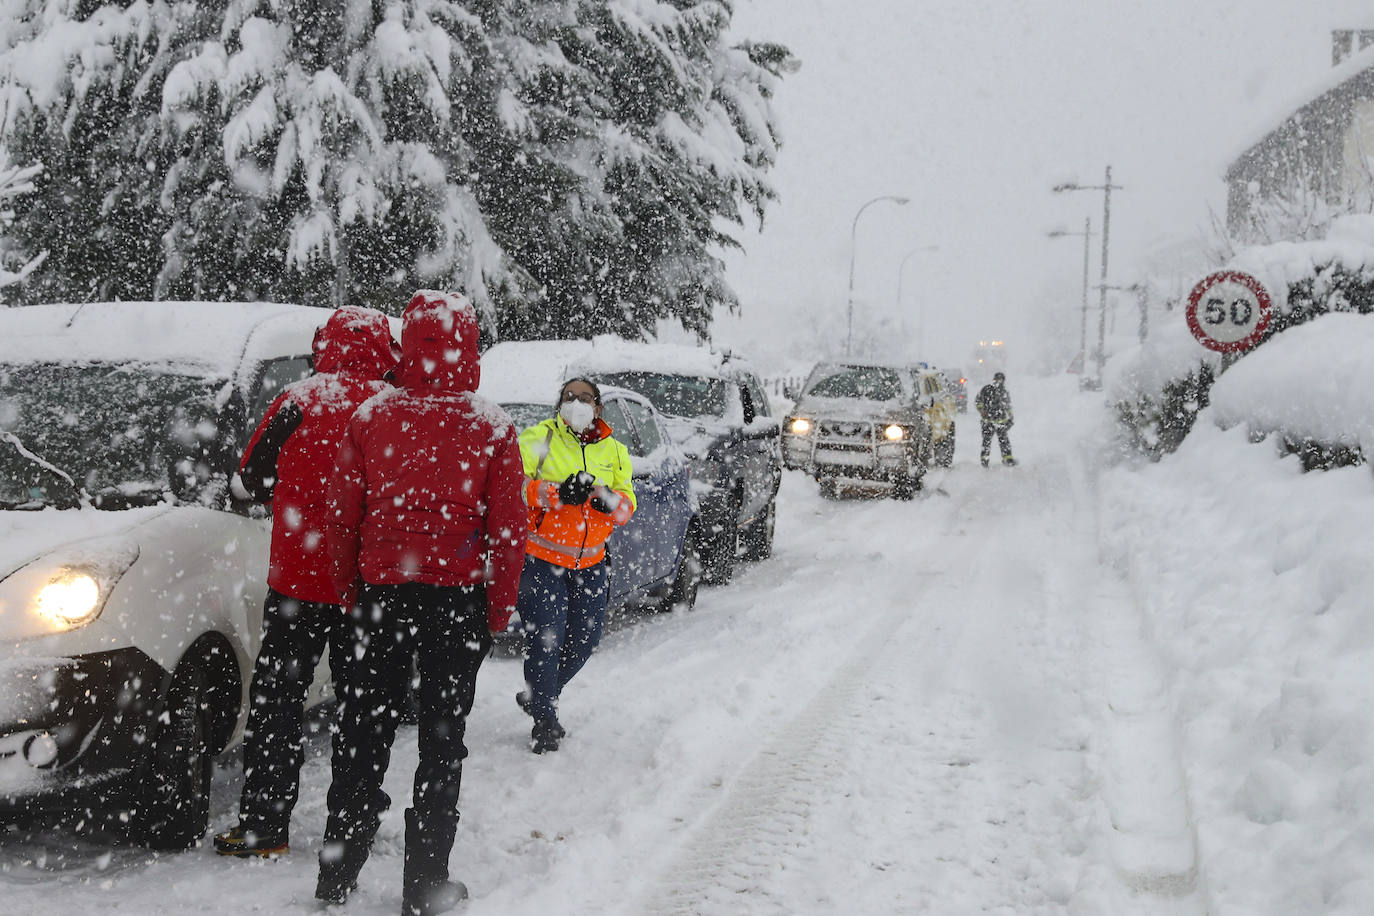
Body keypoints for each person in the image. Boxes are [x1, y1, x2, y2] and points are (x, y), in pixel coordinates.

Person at [317, 291, 528, 915]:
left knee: (363, 730)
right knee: (442, 738)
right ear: (469, 347)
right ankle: (425, 882)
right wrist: (496, 607)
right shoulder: (491, 426)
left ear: (407, 344)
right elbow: (508, 532)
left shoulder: (373, 417)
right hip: (457, 600)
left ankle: (338, 871)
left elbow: (342, 516)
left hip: (383, 595)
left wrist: (350, 589)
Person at [213, 305, 398, 858]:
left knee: (278, 702)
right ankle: (354, 820)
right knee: (363, 705)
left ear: (326, 344)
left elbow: (249, 483)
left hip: (298, 581)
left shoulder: (299, 400)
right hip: (367, 584)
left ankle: (265, 825)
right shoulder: (390, 410)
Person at [514, 377, 636, 754]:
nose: (578, 404)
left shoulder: (615, 451)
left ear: (598, 408)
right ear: (559, 405)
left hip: (592, 564)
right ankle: (544, 720)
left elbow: (628, 507)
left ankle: (540, 694)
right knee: (546, 641)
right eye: (570, 397)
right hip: (542, 560)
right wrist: (555, 493)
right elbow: (513, 487)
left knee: (585, 641)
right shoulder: (539, 438)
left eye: (585, 398)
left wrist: (608, 500)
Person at [976, 371, 1015, 467]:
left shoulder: (1004, 392)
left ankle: (1008, 459)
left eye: (1001, 380)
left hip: (1000, 422)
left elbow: (1008, 406)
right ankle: (984, 460)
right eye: (998, 379)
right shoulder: (986, 389)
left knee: (1004, 441)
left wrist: (1010, 417)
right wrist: (982, 410)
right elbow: (978, 401)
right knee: (987, 442)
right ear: (994, 379)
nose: (1000, 381)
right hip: (988, 422)